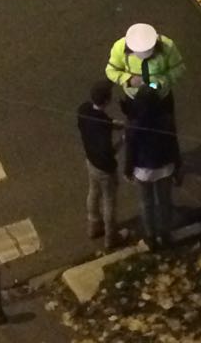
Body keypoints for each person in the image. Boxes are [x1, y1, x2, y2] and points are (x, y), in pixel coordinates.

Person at [124, 83, 180, 250]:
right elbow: (173, 146)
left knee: (146, 204)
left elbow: (130, 150)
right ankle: (165, 234)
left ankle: (151, 236)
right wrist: (178, 166)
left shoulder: (134, 125)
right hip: (164, 168)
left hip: (143, 170)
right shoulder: (166, 121)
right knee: (164, 202)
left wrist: (127, 170)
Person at [76, 80, 121, 252]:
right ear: (107, 100)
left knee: (93, 192)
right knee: (109, 201)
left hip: (91, 161)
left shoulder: (84, 110)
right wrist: (123, 140)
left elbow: (101, 120)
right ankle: (111, 236)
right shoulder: (102, 125)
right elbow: (109, 152)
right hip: (105, 169)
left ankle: (93, 224)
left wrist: (112, 124)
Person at [106, 23, 185, 116]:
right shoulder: (119, 47)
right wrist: (128, 80)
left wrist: (161, 82)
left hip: (161, 96)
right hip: (134, 98)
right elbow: (111, 71)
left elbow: (179, 68)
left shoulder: (168, 46)